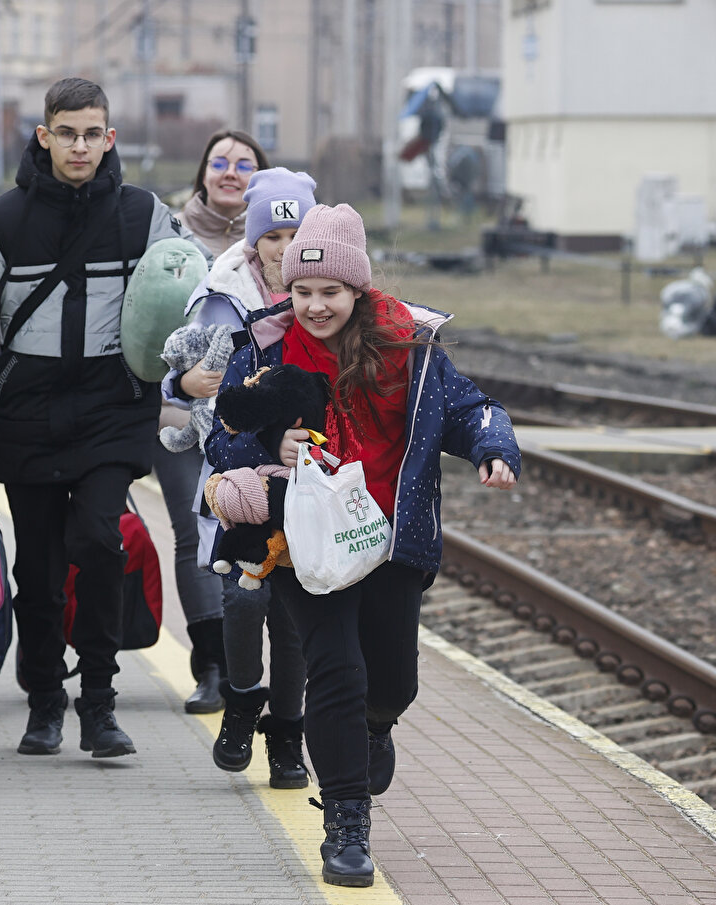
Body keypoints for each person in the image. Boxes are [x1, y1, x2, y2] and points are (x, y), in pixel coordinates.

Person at [205, 202, 520, 887]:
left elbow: (467, 409)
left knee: (392, 679)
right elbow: (220, 434)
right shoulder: (264, 348)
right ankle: (346, 821)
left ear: (358, 289)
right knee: (336, 671)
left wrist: (493, 448)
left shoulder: (411, 344)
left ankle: (378, 725)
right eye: (303, 291)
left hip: (390, 537)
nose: (315, 306)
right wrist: (268, 442)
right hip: (302, 540)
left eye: (331, 292)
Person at [0, 77, 200, 759]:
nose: (79, 146)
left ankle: (99, 701)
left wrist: (183, 371)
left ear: (109, 138)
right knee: (41, 566)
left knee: (99, 541)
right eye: (67, 133)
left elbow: (190, 300)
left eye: (92, 134)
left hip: (112, 407)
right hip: (26, 408)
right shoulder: (3, 221)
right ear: (44, 136)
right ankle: (43, 700)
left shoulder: (144, 215)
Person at [164, 168, 317, 788]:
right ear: (254, 242)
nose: (283, 247)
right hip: (236, 481)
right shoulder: (224, 298)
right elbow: (181, 371)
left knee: (293, 618)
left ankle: (285, 734)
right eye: (272, 235)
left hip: (306, 487)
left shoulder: (324, 299)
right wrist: (181, 385)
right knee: (241, 597)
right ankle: (241, 698)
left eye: (295, 232)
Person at [150, 130, 267, 715]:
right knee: (193, 532)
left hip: (255, 426)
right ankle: (212, 667)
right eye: (219, 162)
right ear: (202, 172)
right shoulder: (167, 237)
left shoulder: (279, 247)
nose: (230, 171)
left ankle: (256, 666)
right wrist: (177, 381)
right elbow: (145, 330)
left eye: (244, 164)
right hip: (181, 415)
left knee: (255, 537)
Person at [177, 129, 270, 257]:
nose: (230, 173)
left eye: (244, 167)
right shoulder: (171, 231)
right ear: (204, 174)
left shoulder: (274, 237)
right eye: (219, 164)